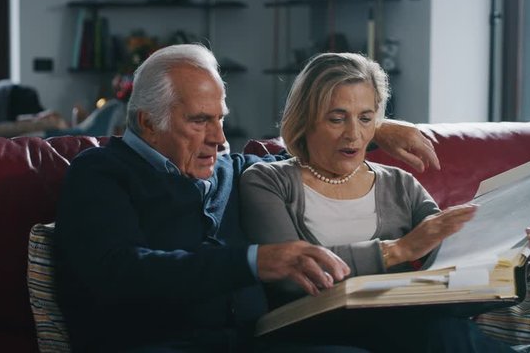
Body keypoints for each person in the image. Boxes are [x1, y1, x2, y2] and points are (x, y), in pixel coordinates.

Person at [53, 44, 444, 352]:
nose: (219, 138)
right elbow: (121, 271)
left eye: (220, 118)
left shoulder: (233, 168)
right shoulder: (100, 173)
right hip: (154, 344)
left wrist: (377, 128)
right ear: (147, 123)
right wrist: (253, 261)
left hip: (251, 343)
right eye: (199, 120)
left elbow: (307, 150)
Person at [239, 52, 530, 352]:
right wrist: (398, 250)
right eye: (337, 119)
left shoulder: (399, 184)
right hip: (308, 328)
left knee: (437, 328)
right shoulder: (266, 181)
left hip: (400, 324)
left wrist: (520, 257)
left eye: (366, 118)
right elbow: (286, 275)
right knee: (430, 331)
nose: (353, 134)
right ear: (305, 120)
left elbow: (453, 261)